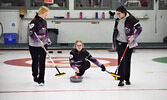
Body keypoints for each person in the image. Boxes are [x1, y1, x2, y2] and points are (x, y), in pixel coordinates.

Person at [112, 6, 142, 86]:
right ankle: (121, 80)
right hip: (120, 42)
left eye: (119, 13)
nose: (117, 15)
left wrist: (133, 37)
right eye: (117, 13)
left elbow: (139, 29)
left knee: (127, 61)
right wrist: (113, 42)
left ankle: (127, 79)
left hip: (129, 44)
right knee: (121, 61)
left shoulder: (131, 19)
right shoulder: (118, 20)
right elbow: (115, 31)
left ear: (124, 12)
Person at [29, 6, 51, 86]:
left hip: (43, 45)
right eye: (45, 14)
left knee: (42, 62)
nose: (46, 16)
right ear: (41, 13)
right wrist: (39, 43)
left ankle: (41, 79)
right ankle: (35, 75)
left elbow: (46, 32)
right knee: (35, 61)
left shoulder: (44, 22)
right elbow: (31, 34)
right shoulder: (33, 22)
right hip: (34, 46)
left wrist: (47, 40)